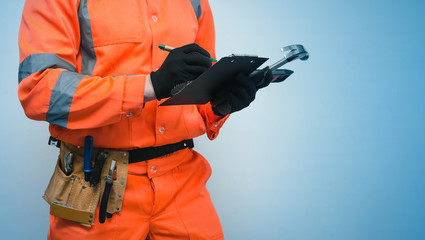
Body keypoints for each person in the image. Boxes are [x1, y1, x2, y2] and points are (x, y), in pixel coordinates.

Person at [18, 0, 270, 239]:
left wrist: (220, 105)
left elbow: (200, 97)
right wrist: (150, 85)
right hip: (95, 185)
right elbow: (39, 91)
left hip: (183, 182)